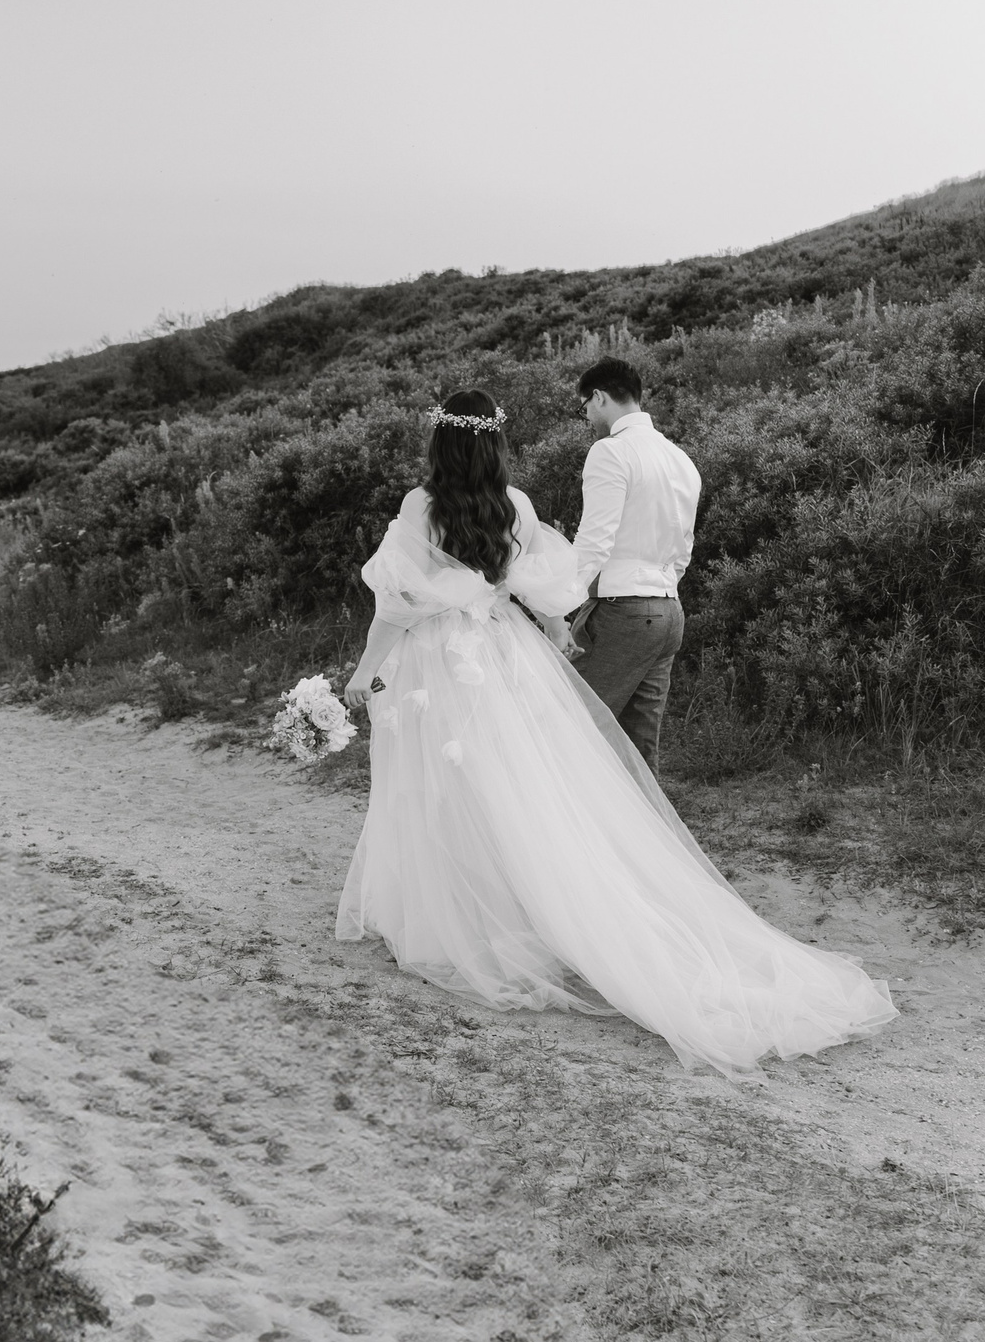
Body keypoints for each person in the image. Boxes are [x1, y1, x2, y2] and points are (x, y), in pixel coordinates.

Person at [335, 387, 894, 1077]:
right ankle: (515, 915)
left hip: (441, 661)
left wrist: (365, 670)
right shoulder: (516, 505)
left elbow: (399, 602)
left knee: (448, 786)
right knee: (515, 785)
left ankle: (459, 923)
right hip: (503, 653)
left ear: (440, 441)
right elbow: (538, 585)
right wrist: (553, 633)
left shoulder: (420, 506)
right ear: (494, 443)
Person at [568, 357, 697, 770]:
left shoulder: (610, 452)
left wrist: (558, 604)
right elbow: (684, 548)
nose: (588, 418)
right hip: (668, 611)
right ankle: (647, 814)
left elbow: (594, 541)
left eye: (585, 408)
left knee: (571, 725)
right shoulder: (681, 459)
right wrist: (659, 588)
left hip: (623, 613)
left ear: (599, 397)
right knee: (639, 748)